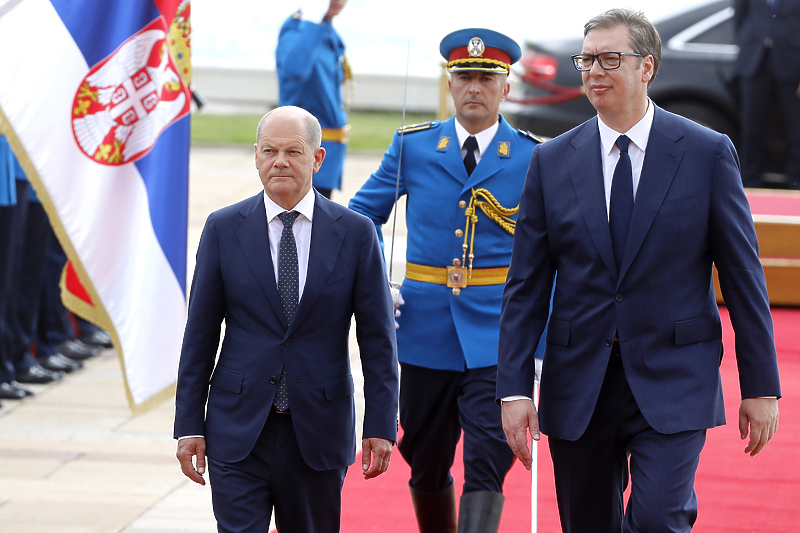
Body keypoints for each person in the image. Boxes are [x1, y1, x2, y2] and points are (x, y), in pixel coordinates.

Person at [497, 9, 781, 533]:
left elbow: (743, 279)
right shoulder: (552, 162)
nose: (594, 71)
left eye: (610, 59)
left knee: (657, 520)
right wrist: (514, 390)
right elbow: (526, 288)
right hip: (578, 381)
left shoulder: (706, 153)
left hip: (675, 376)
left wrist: (760, 386)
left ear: (647, 66)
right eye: (587, 60)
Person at [349, 28, 546, 533]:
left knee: (489, 455)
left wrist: (540, 345)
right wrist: (378, 283)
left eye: (486, 78)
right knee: (425, 454)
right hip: (423, 330)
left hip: (498, 333)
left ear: (505, 88)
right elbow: (360, 217)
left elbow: (555, 253)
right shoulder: (414, 147)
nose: (473, 88)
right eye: (464, 77)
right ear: (450, 85)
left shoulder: (532, 156)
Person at [173, 106, 399, 533]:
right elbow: (199, 336)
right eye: (269, 150)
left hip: (317, 430)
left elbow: (378, 341)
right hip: (237, 428)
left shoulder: (355, 233)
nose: (280, 161)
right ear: (255, 156)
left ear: (317, 159)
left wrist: (382, 424)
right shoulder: (223, 229)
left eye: (293, 151)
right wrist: (188, 423)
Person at [276, 0, 351, 200]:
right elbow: (294, 69)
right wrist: (311, 19)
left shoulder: (326, 29)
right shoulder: (299, 27)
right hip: (302, 152)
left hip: (324, 154)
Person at [734, 0, 800, 189]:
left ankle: (796, 192)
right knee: (751, 133)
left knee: (796, 134)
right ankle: (748, 191)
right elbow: (739, 17)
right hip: (754, 64)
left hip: (793, 66)